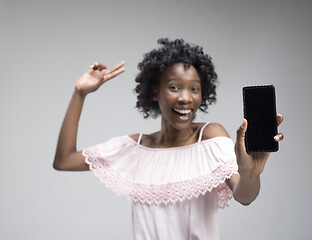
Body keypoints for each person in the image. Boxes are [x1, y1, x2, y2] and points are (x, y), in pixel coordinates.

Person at [53, 38, 284, 240]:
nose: (185, 98)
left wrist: (251, 173)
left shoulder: (210, 138)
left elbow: (244, 196)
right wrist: (79, 93)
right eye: (174, 87)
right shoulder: (135, 148)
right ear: (154, 92)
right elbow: (64, 160)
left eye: (194, 89)